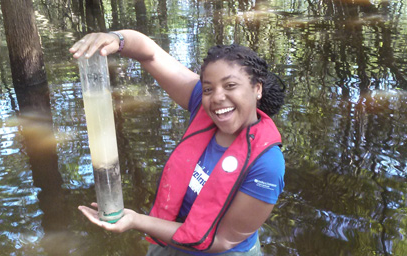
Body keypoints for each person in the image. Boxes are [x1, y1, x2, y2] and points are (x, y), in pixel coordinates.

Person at [70, 29, 286, 256]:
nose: (218, 97)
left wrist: (136, 221)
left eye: (230, 85)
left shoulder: (267, 164)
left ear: (257, 89)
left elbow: (222, 240)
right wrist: (117, 39)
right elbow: (150, 55)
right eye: (208, 89)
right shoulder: (203, 106)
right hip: (169, 241)